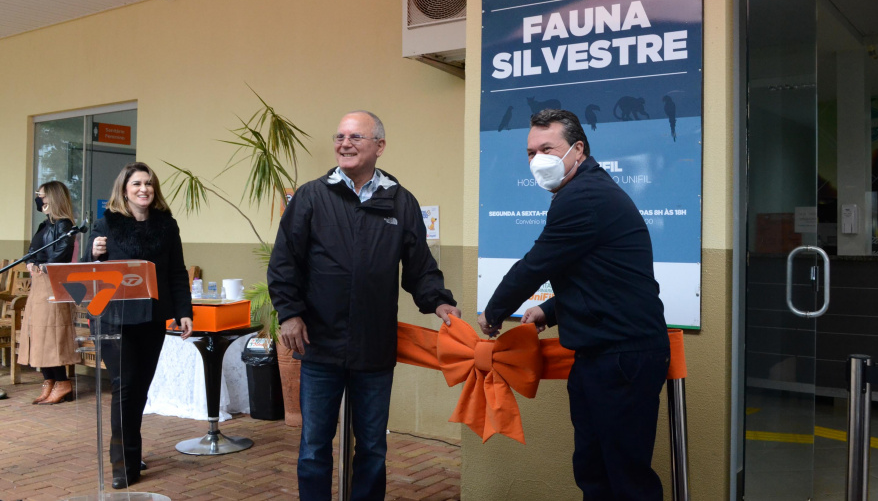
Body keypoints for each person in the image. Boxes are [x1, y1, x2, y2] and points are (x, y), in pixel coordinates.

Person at [268, 110, 461, 501]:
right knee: (314, 448)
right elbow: (284, 261)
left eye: (356, 137)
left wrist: (440, 303)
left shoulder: (400, 202)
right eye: (340, 136)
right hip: (319, 344)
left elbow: (420, 267)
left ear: (379, 146)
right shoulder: (311, 196)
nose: (344, 144)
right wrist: (289, 313)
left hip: (374, 347)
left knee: (372, 448)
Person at [479, 109, 670, 501]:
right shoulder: (583, 192)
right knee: (594, 470)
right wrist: (549, 312)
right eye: (530, 152)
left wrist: (494, 313)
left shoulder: (584, 196)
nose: (537, 160)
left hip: (621, 357)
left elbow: (537, 264)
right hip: (599, 356)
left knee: (626, 479)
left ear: (578, 150)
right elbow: (598, 277)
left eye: (547, 148)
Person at [84, 162, 193, 490]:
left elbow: (176, 271)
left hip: (152, 319)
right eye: (137, 184)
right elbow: (85, 277)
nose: (144, 188)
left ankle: (130, 452)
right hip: (113, 319)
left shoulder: (166, 226)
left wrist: (184, 311)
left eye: (148, 183)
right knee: (125, 387)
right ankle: (123, 466)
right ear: (124, 189)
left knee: (139, 388)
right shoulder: (105, 225)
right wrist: (93, 254)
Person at [17, 181, 81, 404]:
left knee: (51, 335)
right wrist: (30, 262)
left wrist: (44, 265)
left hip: (53, 284)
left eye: (41, 195)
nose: (38, 199)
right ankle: (49, 381)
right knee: (37, 333)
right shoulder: (44, 225)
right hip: (38, 284)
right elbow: (32, 250)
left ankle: (62, 382)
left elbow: (62, 254)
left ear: (52, 198)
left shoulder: (65, 225)